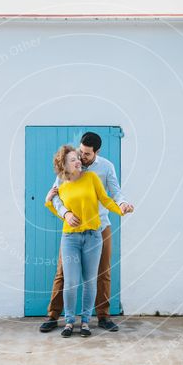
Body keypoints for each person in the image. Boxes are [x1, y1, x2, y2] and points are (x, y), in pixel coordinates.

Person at [39, 132, 135, 333]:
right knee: (63, 273)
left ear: (96, 152)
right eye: (80, 151)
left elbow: (114, 193)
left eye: (87, 154)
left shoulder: (105, 167)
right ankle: (54, 315)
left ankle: (103, 316)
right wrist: (65, 213)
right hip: (72, 231)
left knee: (102, 272)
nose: (82, 156)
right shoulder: (67, 167)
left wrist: (123, 204)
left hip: (100, 226)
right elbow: (54, 197)